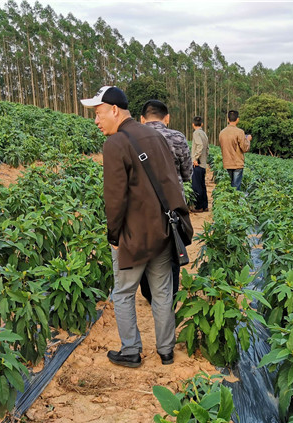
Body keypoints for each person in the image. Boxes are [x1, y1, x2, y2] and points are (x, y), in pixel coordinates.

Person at [81, 85, 192, 368]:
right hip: (163, 230)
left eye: (98, 112)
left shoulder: (115, 143)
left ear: (114, 110)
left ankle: (131, 350)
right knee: (163, 291)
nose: (96, 120)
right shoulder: (155, 137)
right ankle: (166, 351)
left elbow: (114, 198)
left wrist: (114, 235)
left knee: (123, 292)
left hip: (133, 235)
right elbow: (171, 182)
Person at [139, 99, 191, 304]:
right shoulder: (177, 137)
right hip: (172, 203)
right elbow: (187, 174)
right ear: (167, 118)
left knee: (145, 250)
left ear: (142, 119)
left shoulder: (132, 138)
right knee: (172, 250)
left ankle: (149, 294)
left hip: (142, 206)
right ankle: (169, 296)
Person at [218, 110, 252, 191]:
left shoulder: (222, 132)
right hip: (237, 163)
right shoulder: (240, 132)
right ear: (237, 119)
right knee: (236, 188)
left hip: (227, 163)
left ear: (227, 119)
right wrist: (248, 140)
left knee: (229, 186)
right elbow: (245, 148)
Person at [190, 116, 209, 212]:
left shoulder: (196, 133)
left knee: (196, 186)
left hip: (197, 163)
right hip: (203, 163)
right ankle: (205, 205)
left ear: (193, 124)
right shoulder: (204, 134)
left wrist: (195, 159)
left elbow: (200, 145)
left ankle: (199, 207)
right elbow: (207, 149)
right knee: (202, 185)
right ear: (202, 124)